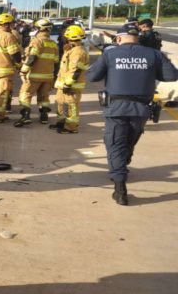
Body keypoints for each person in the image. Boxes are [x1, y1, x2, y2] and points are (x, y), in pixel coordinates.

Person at [86, 24, 178, 205]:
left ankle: (120, 189)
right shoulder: (154, 54)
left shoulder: (110, 54)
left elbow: (92, 77)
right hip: (142, 109)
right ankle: (122, 164)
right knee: (129, 140)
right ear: (138, 37)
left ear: (118, 38)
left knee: (115, 144)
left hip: (116, 108)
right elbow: (171, 76)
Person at [15, 18, 59, 127]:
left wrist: (24, 69)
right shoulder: (54, 44)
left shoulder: (37, 41)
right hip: (48, 76)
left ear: (39, 29)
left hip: (34, 76)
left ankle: (25, 116)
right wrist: (54, 76)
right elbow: (56, 62)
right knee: (44, 96)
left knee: (25, 94)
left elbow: (32, 57)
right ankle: (44, 116)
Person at [49, 25, 89, 134]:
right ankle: (61, 122)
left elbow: (76, 70)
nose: (63, 38)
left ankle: (71, 127)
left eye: (65, 36)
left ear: (69, 37)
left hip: (71, 86)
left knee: (71, 106)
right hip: (63, 84)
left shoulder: (78, 52)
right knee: (60, 103)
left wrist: (68, 84)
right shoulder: (71, 49)